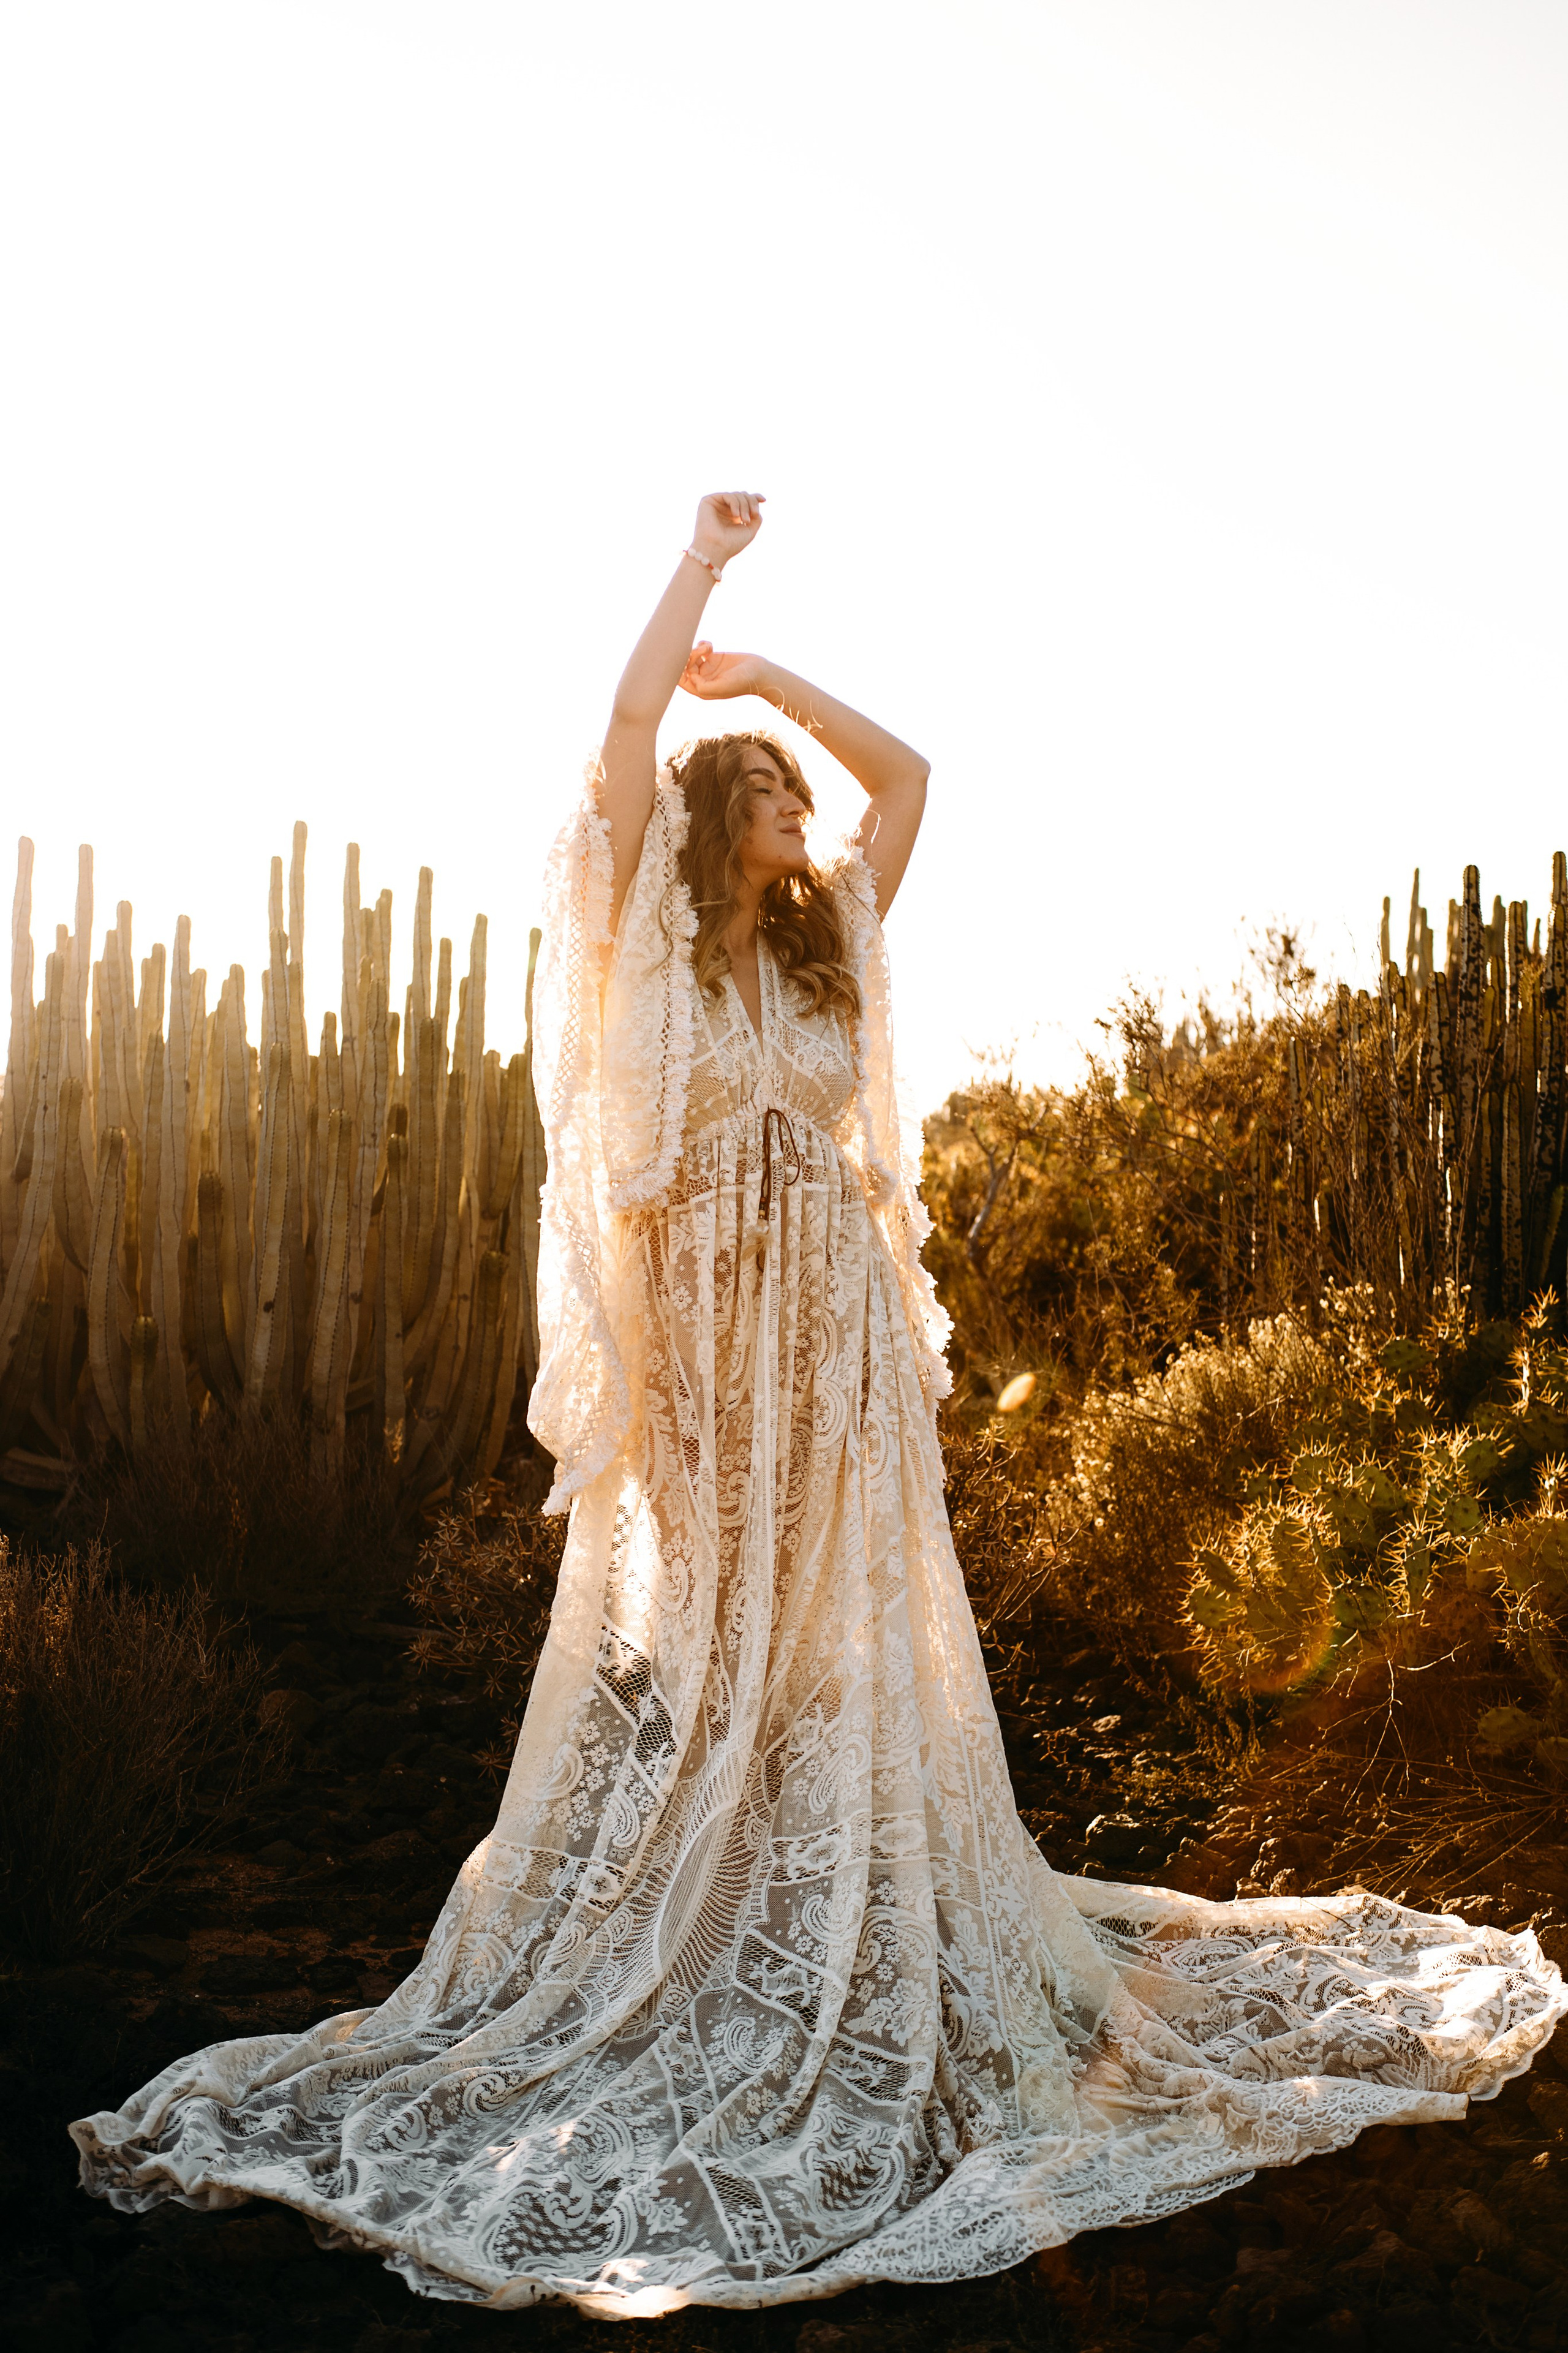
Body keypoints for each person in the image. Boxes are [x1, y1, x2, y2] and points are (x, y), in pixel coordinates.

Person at [73, 493, 1567, 2317]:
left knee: (842, 1625)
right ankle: (704, 1921)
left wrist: (775, 675)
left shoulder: (825, 939)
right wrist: (699, 584)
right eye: (770, 791)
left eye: (793, 791)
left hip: (838, 1329)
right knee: (726, 1623)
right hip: (712, 1320)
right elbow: (624, 739)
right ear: (718, 825)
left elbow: (916, 773)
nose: (800, 812)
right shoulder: (648, 930)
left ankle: (853, 1904)